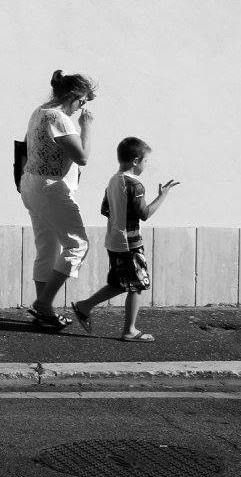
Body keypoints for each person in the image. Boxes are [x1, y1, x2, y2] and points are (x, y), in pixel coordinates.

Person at [71, 138, 179, 341]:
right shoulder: (135, 185)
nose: (146, 165)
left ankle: (84, 306)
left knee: (119, 283)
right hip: (130, 243)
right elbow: (144, 214)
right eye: (146, 161)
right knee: (137, 285)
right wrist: (162, 196)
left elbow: (104, 209)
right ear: (136, 161)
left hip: (113, 240)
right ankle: (130, 330)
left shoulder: (113, 180)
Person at [18, 70, 96, 328]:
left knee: (47, 249)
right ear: (72, 96)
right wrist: (86, 127)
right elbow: (82, 157)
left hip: (31, 184)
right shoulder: (59, 118)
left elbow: (28, 146)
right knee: (77, 245)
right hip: (51, 189)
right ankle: (43, 304)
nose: (81, 107)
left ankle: (45, 313)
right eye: (82, 101)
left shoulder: (39, 112)